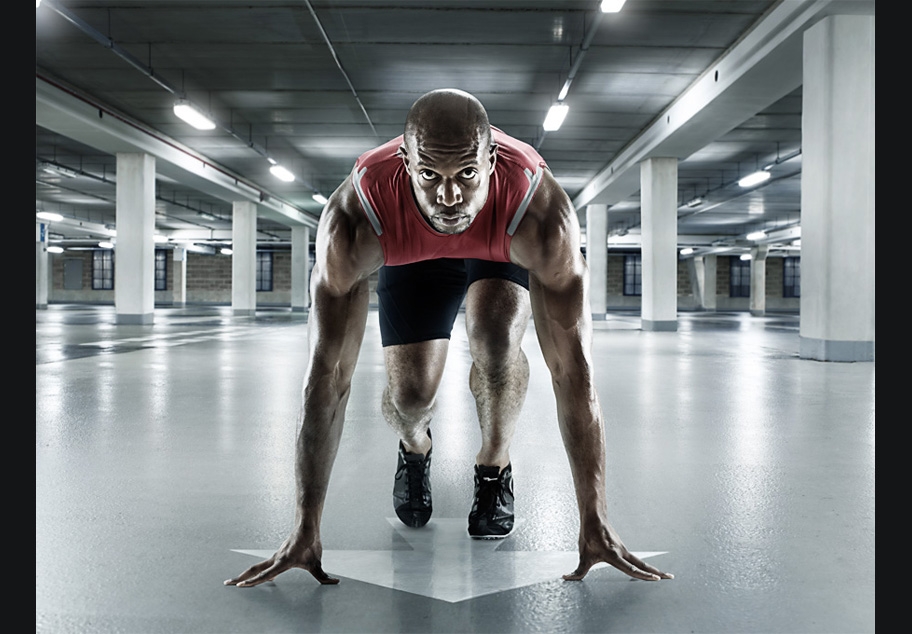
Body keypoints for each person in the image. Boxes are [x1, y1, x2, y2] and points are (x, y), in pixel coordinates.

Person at [225, 89, 673, 587]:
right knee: (410, 395)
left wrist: (595, 518)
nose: (449, 197)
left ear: (493, 158)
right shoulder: (357, 217)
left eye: (466, 175)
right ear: (404, 161)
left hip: (498, 244)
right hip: (409, 253)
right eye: (430, 177)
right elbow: (327, 377)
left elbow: (573, 370)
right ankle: (415, 447)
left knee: (497, 338)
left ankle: (494, 466)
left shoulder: (539, 213)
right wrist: (305, 526)